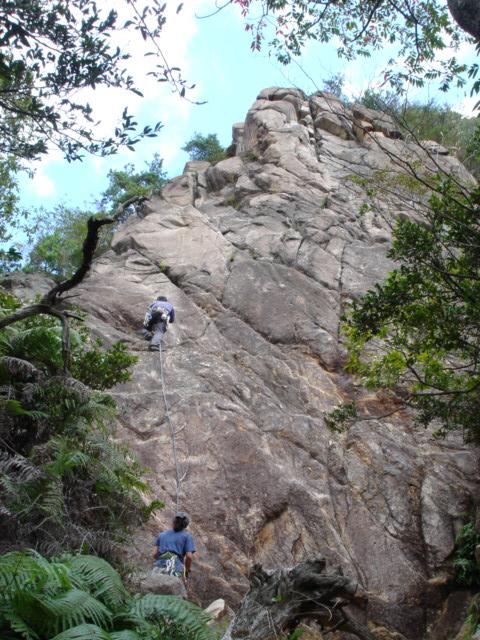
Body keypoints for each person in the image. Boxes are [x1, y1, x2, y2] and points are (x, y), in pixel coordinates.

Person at [153, 512, 195, 581]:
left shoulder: (161, 535)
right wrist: (186, 570)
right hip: (175, 568)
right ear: (185, 525)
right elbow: (189, 557)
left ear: (173, 522)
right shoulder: (187, 536)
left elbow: (154, 554)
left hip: (158, 567)